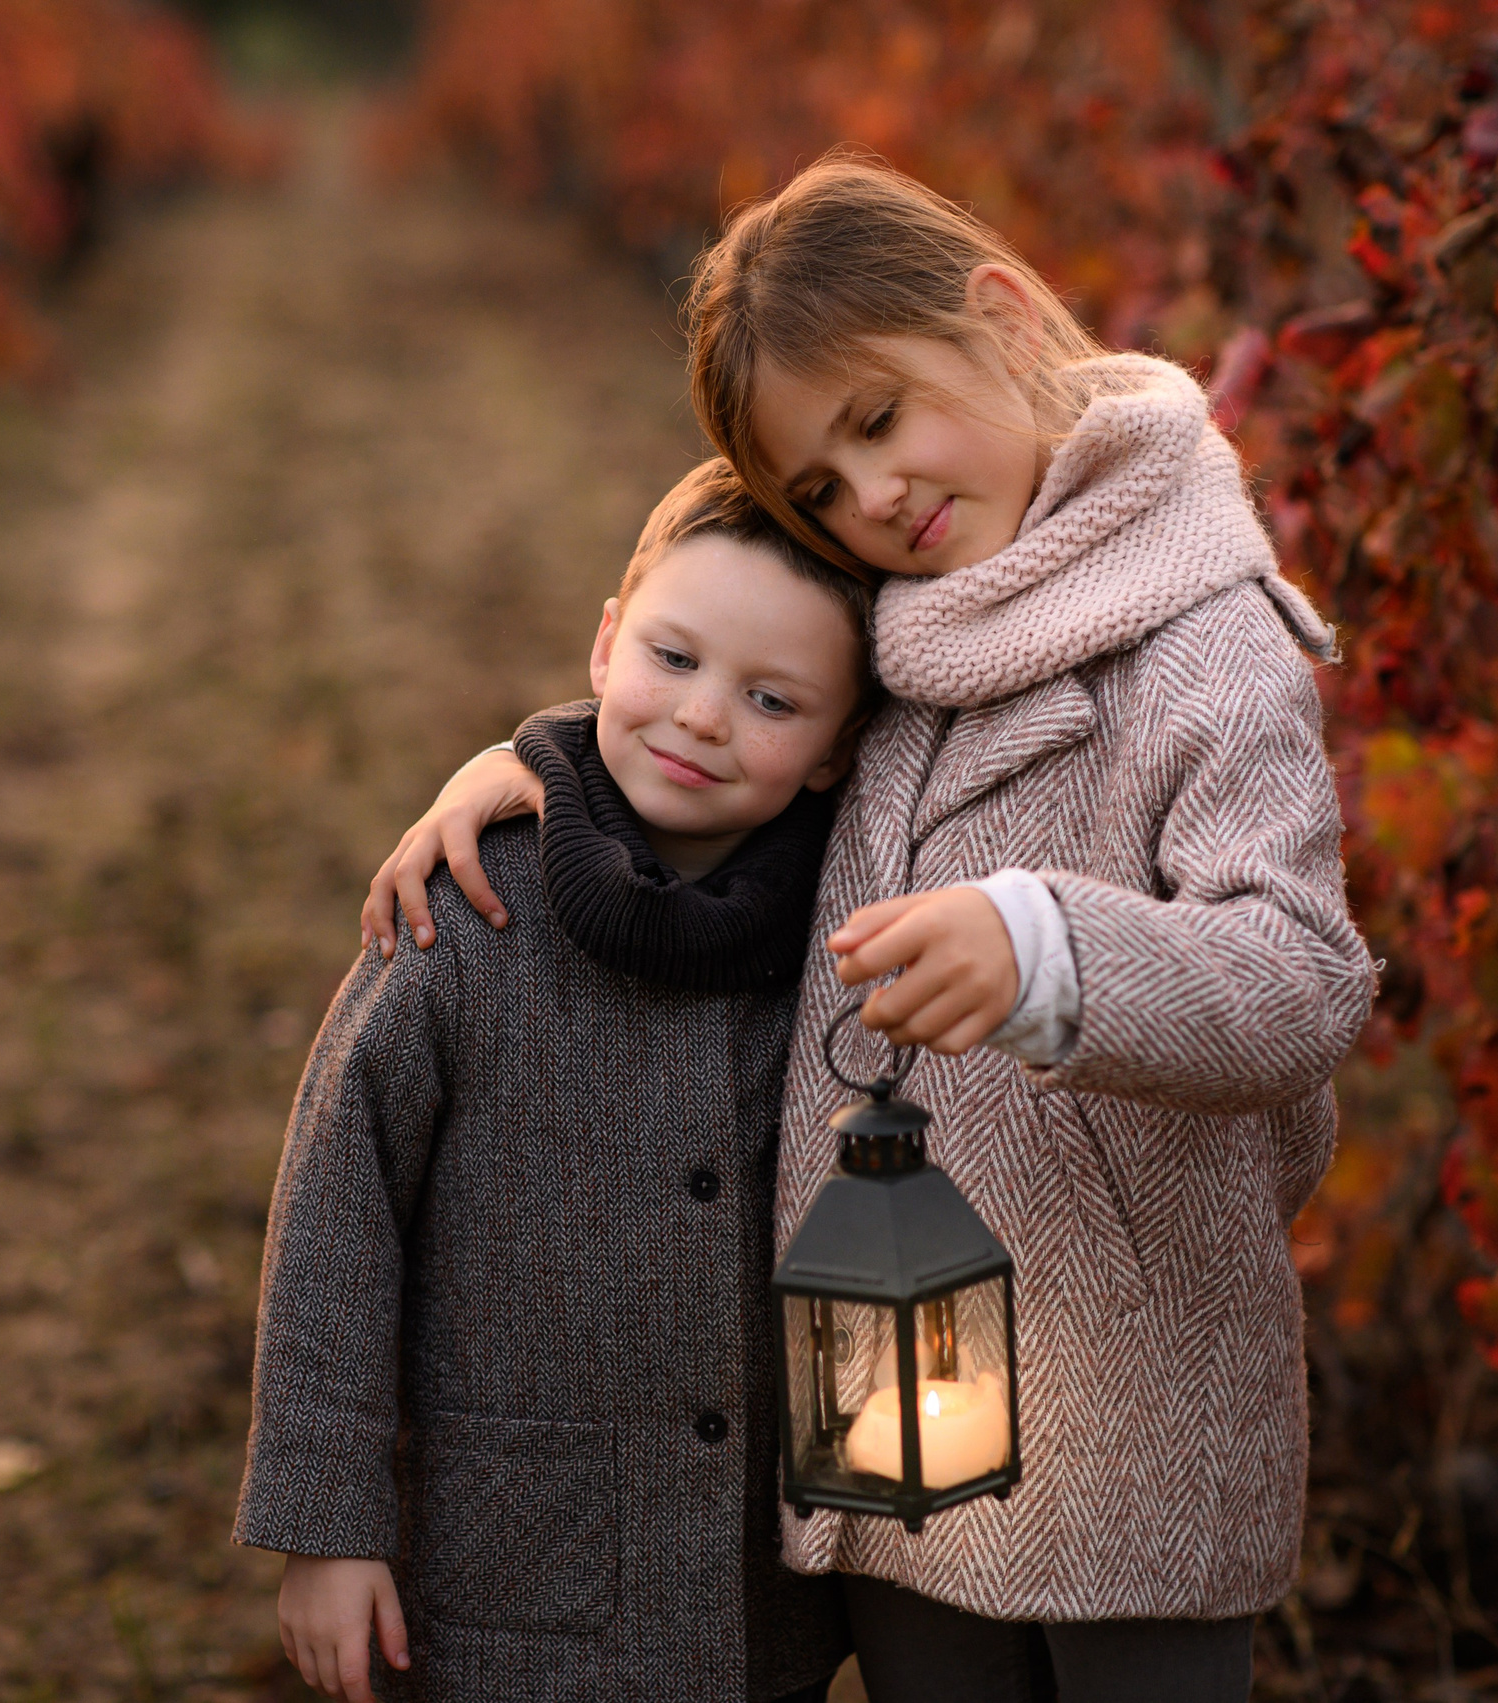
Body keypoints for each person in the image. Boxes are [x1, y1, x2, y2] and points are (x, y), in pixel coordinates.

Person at [360, 152, 1376, 1703]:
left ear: (1002, 313)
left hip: (1132, 1409)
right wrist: (545, 770)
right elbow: (731, 710)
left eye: (880, 419)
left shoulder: (1202, 644)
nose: (874, 497)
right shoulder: (904, 634)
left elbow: (1301, 977)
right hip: (900, 1395)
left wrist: (1050, 951)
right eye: (820, 485)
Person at [236, 460, 867, 1703]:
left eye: (772, 697)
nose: (700, 717)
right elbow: (335, 1212)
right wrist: (327, 1524)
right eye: (672, 659)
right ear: (603, 643)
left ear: (842, 747)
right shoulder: (468, 912)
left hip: (762, 1593)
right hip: (506, 1577)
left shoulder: (843, 936)